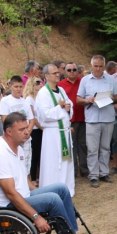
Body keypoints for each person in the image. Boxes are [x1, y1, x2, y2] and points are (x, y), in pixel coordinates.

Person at [0, 111, 97, 234]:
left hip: (23, 196)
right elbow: (10, 193)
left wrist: (40, 194)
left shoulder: (17, 148)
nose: (27, 132)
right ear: (9, 132)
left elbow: (24, 181)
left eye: (26, 128)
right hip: (8, 205)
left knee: (61, 189)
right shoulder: (0, 154)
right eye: (21, 130)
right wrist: (36, 217)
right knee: (52, 199)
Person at [76, 55, 117, 188]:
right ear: (91, 66)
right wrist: (88, 100)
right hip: (92, 119)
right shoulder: (85, 80)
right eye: (96, 66)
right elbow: (78, 99)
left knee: (106, 148)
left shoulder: (110, 79)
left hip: (108, 117)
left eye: (101, 66)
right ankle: (93, 175)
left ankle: (104, 173)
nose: (98, 69)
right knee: (92, 149)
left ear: (104, 66)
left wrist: (109, 99)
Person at [37, 64, 75, 196]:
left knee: (66, 161)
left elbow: (69, 103)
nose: (58, 74)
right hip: (53, 133)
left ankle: (67, 188)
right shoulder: (43, 93)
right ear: (46, 76)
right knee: (54, 162)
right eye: (54, 73)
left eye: (58, 72)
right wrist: (60, 107)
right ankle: (53, 189)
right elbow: (45, 114)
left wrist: (68, 107)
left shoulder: (61, 90)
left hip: (64, 131)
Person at [0, 75, 36, 177]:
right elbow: (5, 120)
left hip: (26, 139)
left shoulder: (25, 102)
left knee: (26, 165)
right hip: (13, 140)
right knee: (15, 167)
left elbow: (31, 119)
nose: (18, 89)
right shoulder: (5, 101)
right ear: (10, 86)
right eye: (16, 87)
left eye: (20, 86)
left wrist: (27, 132)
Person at [58, 61, 88, 178]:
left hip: (83, 117)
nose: (72, 72)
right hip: (70, 119)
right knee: (72, 146)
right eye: (69, 70)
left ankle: (84, 169)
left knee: (83, 145)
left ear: (78, 71)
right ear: (65, 71)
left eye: (74, 70)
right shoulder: (60, 85)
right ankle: (73, 171)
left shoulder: (83, 81)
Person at [23, 75, 45, 182]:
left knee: (40, 154)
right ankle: (32, 178)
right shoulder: (29, 99)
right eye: (37, 82)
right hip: (35, 130)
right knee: (34, 155)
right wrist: (42, 128)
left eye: (41, 82)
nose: (40, 84)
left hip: (40, 129)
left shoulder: (38, 98)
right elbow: (32, 117)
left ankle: (40, 176)